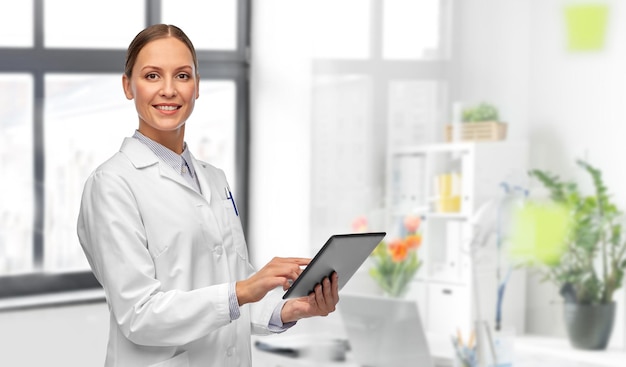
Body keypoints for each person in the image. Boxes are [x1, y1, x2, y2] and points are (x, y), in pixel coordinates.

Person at [77, 24, 339, 367]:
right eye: (152, 76)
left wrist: (291, 308)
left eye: (182, 76)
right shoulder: (111, 184)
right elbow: (139, 314)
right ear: (129, 86)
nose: (169, 90)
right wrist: (243, 289)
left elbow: (232, 280)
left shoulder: (213, 179)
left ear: (197, 86)